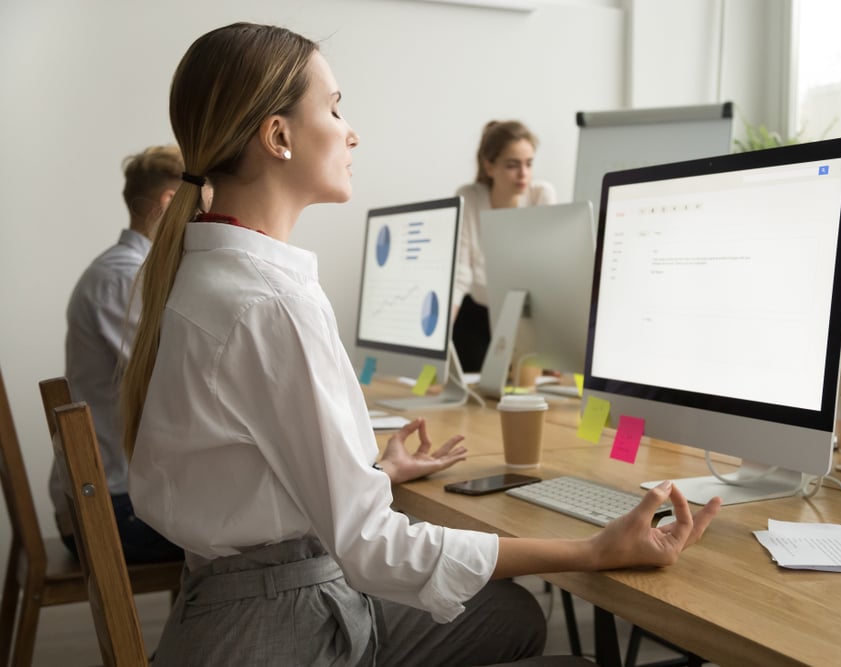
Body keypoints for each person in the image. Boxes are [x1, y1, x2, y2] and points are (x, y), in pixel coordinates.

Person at [120, 22, 721, 667]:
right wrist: (591, 552)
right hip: (286, 630)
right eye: (334, 107)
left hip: (235, 602)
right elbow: (375, 551)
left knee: (513, 611)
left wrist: (365, 474)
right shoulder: (272, 304)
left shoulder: (209, 271)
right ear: (278, 136)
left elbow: (248, 470)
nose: (351, 131)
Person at [48, 145, 206, 564]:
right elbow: (174, 383)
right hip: (108, 511)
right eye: (203, 204)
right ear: (171, 202)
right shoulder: (123, 279)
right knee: (259, 538)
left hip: (111, 496)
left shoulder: (129, 272)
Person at [452, 120, 556, 373]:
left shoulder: (541, 195)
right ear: (489, 166)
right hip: (478, 314)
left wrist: (555, 343)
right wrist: (439, 343)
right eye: (512, 165)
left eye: (529, 164)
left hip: (528, 315)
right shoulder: (470, 197)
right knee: (473, 384)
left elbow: (549, 269)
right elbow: (460, 275)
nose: (524, 174)